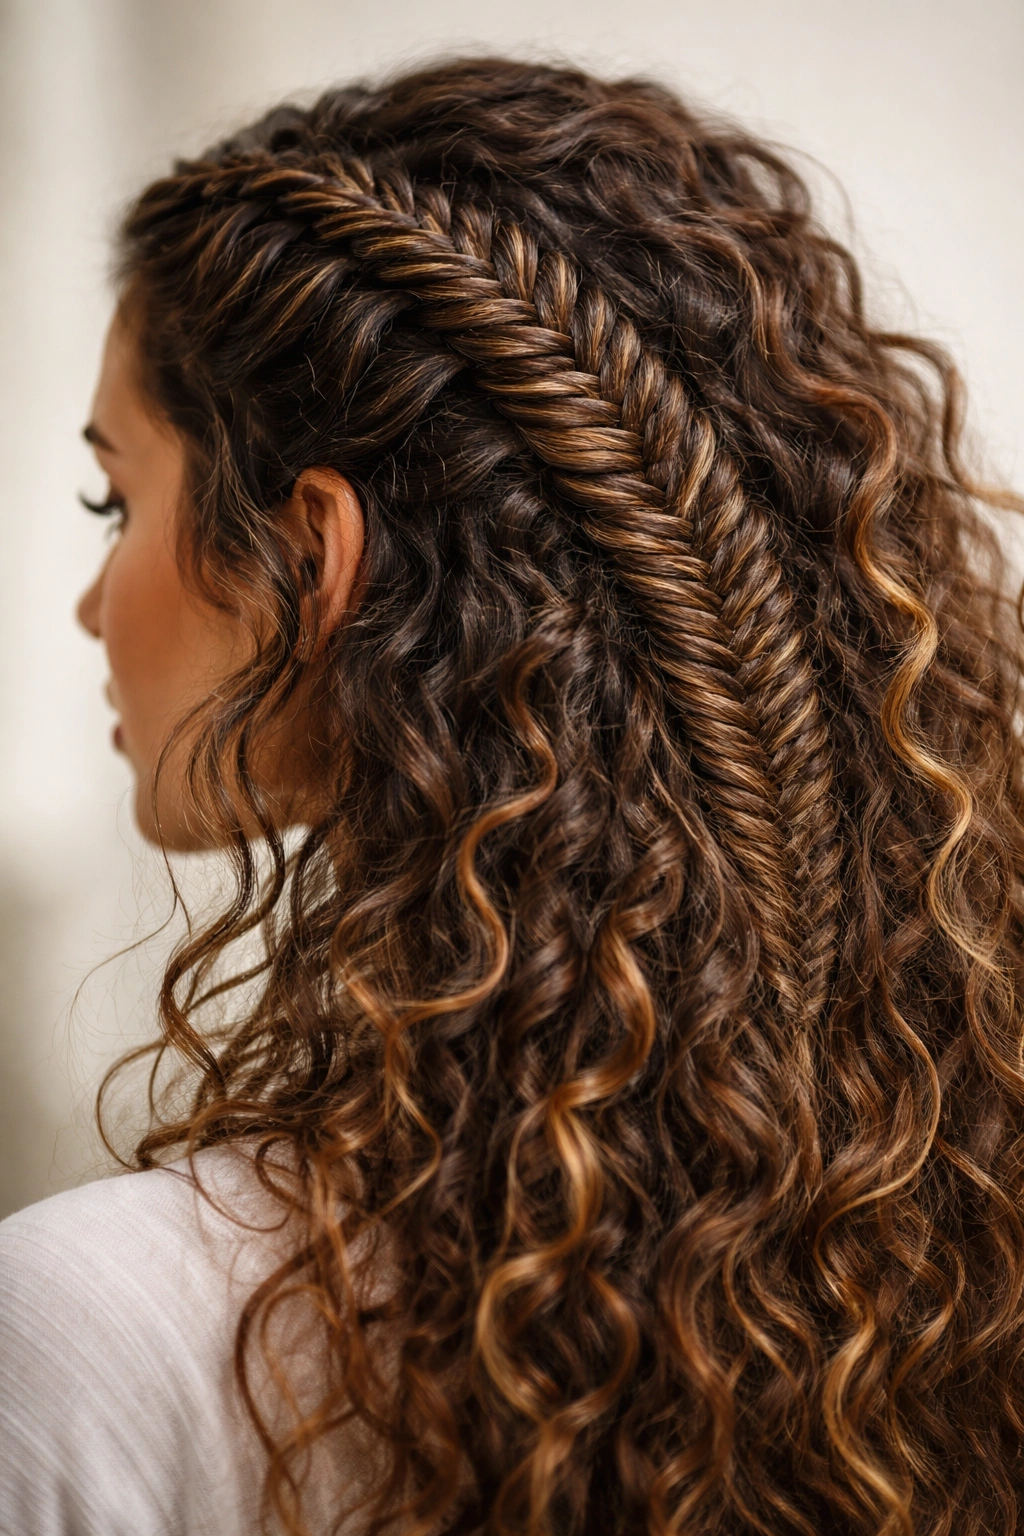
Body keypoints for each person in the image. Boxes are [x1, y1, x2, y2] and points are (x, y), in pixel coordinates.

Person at [2, 54, 1024, 1536]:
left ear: (312, 558)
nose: (96, 602)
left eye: (121, 498)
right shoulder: (921, 1270)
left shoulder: (97, 1338)